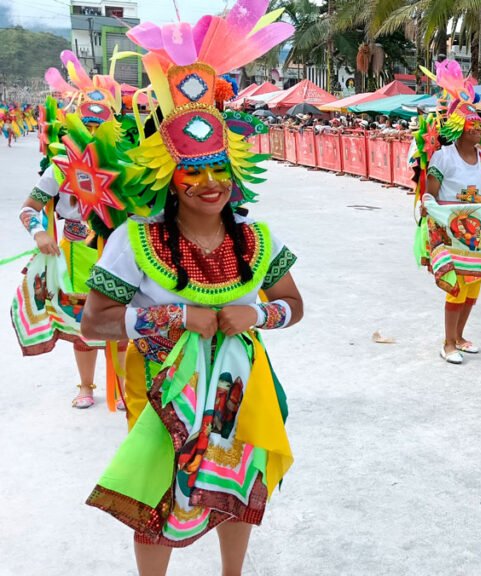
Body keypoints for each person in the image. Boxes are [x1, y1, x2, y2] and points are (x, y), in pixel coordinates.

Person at [79, 4, 300, 574]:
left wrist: (260, 316)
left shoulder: (257, 239)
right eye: (193, 172)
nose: (210, 184)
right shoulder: (133, 240)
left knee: (237, 482)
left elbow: (294, 305)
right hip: (158, 387)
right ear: (168, 176)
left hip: (238, 386)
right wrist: (175, 319)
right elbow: (94, 323)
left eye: (219, 169)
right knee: (157, 494)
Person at [15, 52, 128, 410]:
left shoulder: (125, 165)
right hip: (77, 254)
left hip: (117, 253)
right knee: (85, 327)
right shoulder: (60, 168)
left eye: (100, 126)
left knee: (124, 327)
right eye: (87, 126)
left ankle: (128, 388)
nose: (93, 133)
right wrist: (39, 233)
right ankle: (86, 385)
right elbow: (28, 209)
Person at [419, 60, 481, 364]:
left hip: (476, 232)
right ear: (460, 130)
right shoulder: (443, 157)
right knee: (456, 289)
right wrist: (431, 208)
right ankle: (447, 344)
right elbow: (429, 193)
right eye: (475, 128)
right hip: (450, 231)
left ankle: (460, 336)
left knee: (473, 289)